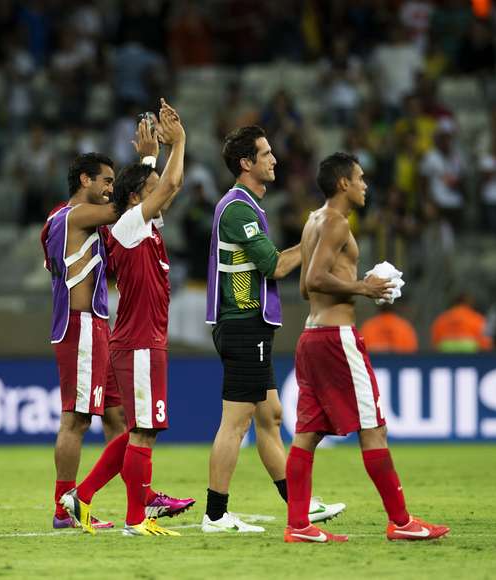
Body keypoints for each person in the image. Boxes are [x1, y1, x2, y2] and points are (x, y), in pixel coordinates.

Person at [284, 152, 449, 543]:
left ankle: (298, 526)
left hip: (311, 336)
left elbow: (306, 286)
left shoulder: (313, 221)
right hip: (337, 339)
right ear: (343, 183)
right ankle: (402, 522)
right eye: (359, 178)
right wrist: (364, 287)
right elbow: (317, 276)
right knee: (374, 428)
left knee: (306, 434)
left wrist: (359, 283)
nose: (364, 185)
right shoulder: (338, 222)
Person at [42, 121, 191, 530]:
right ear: (84, 179)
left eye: (113, 182)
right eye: (104, 180)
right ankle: (65, 505)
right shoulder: (76, 215)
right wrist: (149, 161)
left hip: (98, 325)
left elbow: (141, 204)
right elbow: (134, 204)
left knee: (119, 416)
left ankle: (138, 496)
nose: (109, 188)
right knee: (76, 418)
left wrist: (147, 168)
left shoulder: (77, 219)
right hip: (82, 324)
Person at [204, 126, 345, 533]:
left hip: (251, 327)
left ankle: (300, 504)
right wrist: (316, 234)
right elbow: (275, 266)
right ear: (246, 164)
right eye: (265, 154)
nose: (274, 160)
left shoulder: (247, 207)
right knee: (237, 422)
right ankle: (215, 514)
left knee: (271, 417)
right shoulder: (238, 209)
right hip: (243, 325)